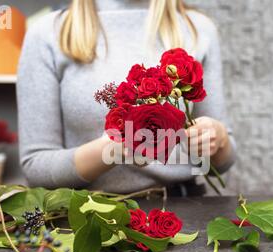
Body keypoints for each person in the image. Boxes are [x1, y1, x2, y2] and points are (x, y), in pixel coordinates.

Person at [17, 0, 237, 195]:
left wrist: (218, 139)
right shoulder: (48, 34)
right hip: (86, 217)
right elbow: (36, 167)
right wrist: (113, 150)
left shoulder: (197, 29)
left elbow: (223, 162)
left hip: (185, 211)